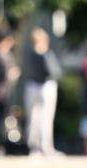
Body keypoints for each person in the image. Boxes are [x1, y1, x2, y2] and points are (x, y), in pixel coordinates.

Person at [24, 27, 62, 156]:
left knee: (35, 117)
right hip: (45, 86)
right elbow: (54, 72)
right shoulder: (45, 53)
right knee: (44, 117)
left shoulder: (30, 53)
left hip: (33, 86)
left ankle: (36, 147)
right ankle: (44, 147)